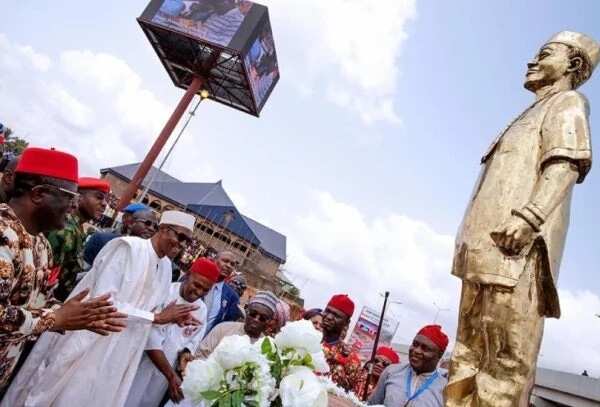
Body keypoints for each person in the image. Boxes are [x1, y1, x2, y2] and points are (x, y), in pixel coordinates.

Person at [446, 31, 599, 406]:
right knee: (466, 354)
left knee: (503, 364)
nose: (531, 60)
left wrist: (530, 218)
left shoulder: (568, 102)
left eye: (544, 54)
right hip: (484, 250)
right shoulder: (528, 113)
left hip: (517, 251)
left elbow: (564, 164)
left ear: (573, 64)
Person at [3, 210, 200, 407]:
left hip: (122, 351)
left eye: (187, 242)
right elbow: (102, 301)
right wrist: (154, 317)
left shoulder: (166, 268)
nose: (182, 245)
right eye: (180, 237)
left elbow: (155, 310)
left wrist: (170, 318)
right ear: (163, 229)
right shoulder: (128, 248)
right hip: (91, 341)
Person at [0, 147, 125, 394]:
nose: (73, 206)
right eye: (69, 197)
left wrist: (75, 315)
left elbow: (32, 304)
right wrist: (54, 318)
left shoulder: (41, 243)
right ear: (38, 194)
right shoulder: (4, 234)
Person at [125, 257, 220, 407]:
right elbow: (151, 339)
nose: (199, 292)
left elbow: (192, 342)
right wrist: (170, 375)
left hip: (165, 376)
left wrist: (185, 355)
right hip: (142, 364)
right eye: (197, 285)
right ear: (188, 274)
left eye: (205, 290)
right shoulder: (165, 293)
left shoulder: (201, 310)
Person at [47, 177, 110, 301]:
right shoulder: (66, 229)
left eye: (105, 199)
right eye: (98, 197)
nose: (104, 204)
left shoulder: (78, 229)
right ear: (79, 198)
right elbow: (49, 275)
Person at [368, 325, 448, 407]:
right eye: (415, 344)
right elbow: (372, 404)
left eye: (425, 348)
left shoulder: (446, 387)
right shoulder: (391, 371)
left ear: (439, 355)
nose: (416, 350)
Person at [195, 290, 278, 359]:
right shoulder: (223, 329)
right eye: (253, 314)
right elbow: (200, 355)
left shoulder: (267, 347)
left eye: (262, 318)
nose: (256, 319)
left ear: (269, 321)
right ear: (247, 312)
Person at [83, 207, 157, 267]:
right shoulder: (102, 239)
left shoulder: (149, 258)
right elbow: (82, 270)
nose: (151, 229)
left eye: (155, 227)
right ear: (131, 223)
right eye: (147, 223)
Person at [322, 294, 362, 392]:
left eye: (336, 315)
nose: (329, 317)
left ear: (347, 322)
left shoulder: (351, 360)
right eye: (327, 311)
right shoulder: (306, 336)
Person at [204, 251, 241, 333]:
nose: (228, 266)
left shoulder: (232, 297)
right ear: (214, 260)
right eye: (225, 261)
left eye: (232, 264)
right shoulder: (195, 278)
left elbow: (225, 327)